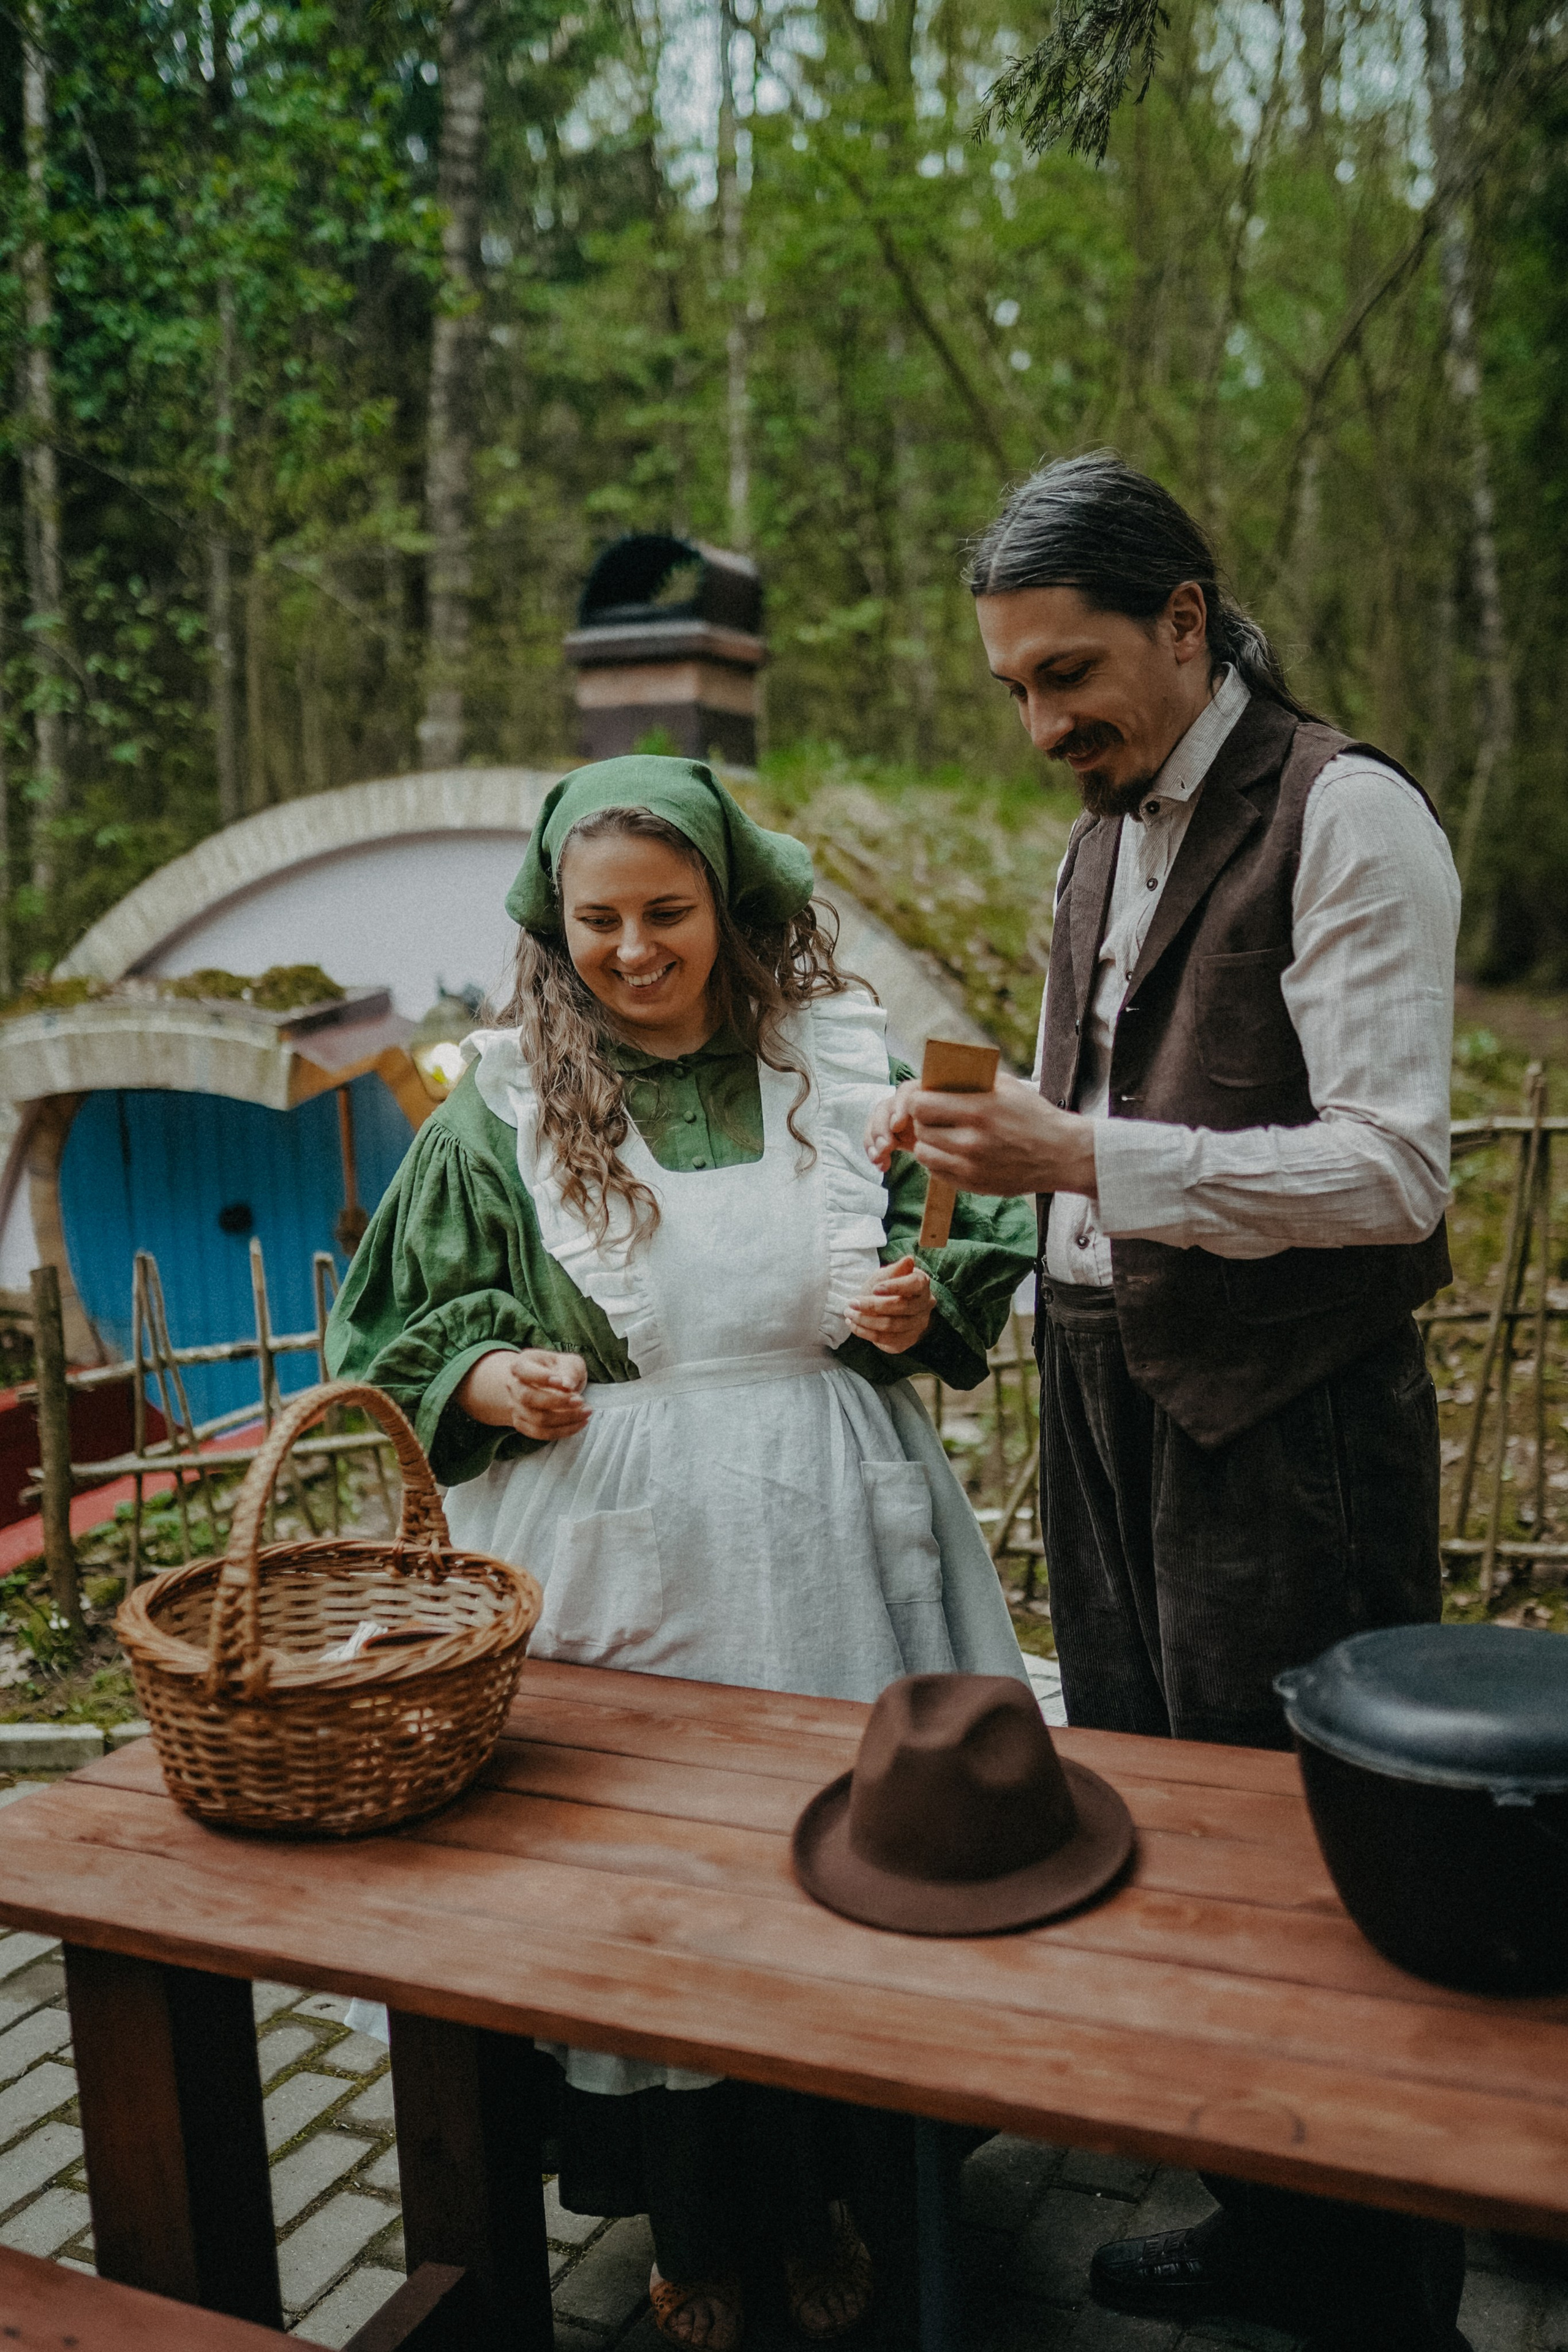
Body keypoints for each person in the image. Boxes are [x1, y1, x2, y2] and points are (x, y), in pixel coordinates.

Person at [867, 454, 1466, 2352]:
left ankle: (1391, 2290)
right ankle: (1264, 2220)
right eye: (1015, 691)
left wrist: (1089, 1153)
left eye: (1071, 676)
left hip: (1290, 1423)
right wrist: (988, 1163)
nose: (1044, 724)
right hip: (1105, 1387)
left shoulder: (1349, 814)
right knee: (1167, 1819)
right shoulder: (1107, 821)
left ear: (1187, 622)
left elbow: (1394, 1175)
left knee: (1322, 1857)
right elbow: (1083, 1132)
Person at [328, 754, 1035, 2352]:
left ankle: (836, 2197)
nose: (635, 949)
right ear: (549, 922)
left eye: (669, 911)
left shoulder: (835, 1067)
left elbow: (962, 1236)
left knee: (859, 1860)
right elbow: (379, 1333)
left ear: (732, 905)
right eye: (600, 920)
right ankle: (701, 2225)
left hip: (835, 1534)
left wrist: (915, 1312)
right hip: (618, 1534)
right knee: (660, 1896)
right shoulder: (504, 1109)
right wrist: (484, 1379)